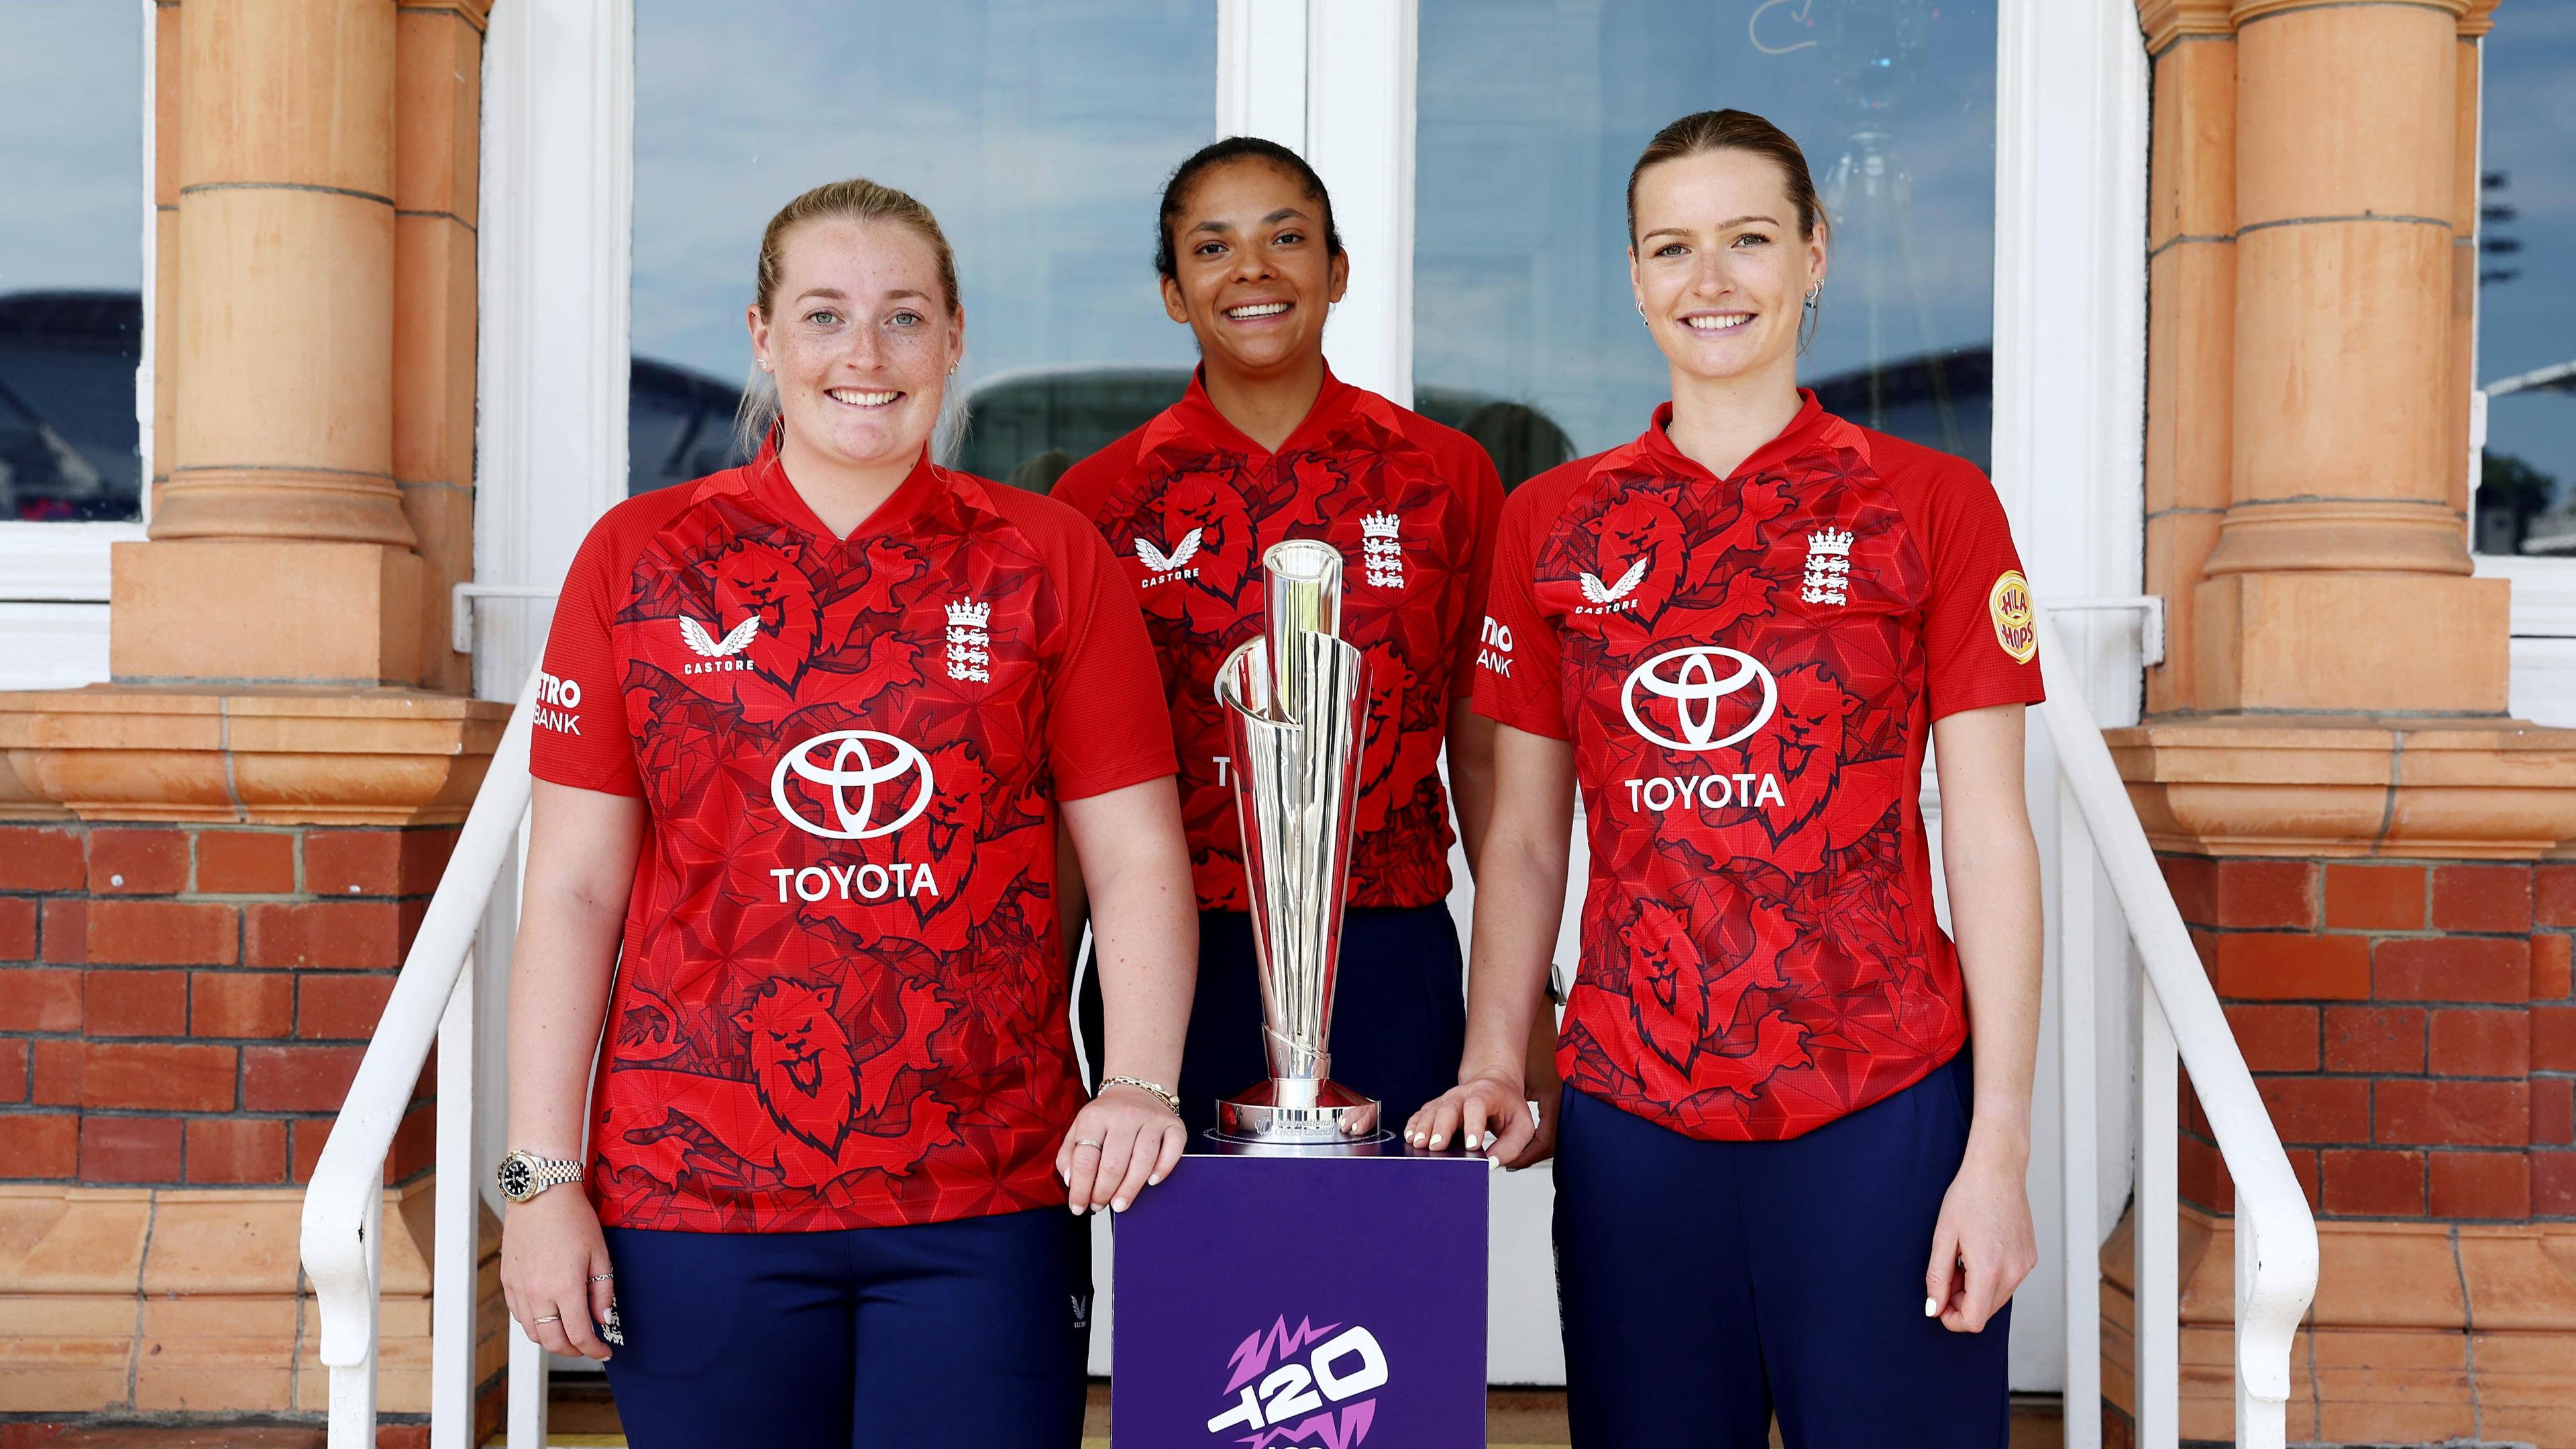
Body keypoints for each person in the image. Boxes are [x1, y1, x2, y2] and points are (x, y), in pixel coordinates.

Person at [496, 177, 1197, 1449]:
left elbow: (1140, 851)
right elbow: (575, 890)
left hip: (986, 1189)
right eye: (823, 317)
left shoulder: (1045, 560)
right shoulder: (640, 558)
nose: (863, 357)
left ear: (955, 336)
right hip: (695, 1186)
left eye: (903, 318)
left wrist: (1141, 1081)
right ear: (763, 339)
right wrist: (541, 1180)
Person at [1408, 110, 2045, 1446]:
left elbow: (1989, 841)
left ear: (1815, 255)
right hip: (1636, 1115)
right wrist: (1493, 1054)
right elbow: (1523, 843)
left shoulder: (1930, 504)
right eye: (1673, 248)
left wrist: (1999, 1153)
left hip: (1882, 1106)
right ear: (1636, 279)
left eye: (1748, 239)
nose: (1712, 280)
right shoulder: (1555, 523)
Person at [1052, 136, 1523, 1138]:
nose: (1253, 270)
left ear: (1337, 270)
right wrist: (1038, 1021)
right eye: (1212, 248)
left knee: (1390, 1290)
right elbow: (1070, 797)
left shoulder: (1446, 478)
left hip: (1391, 954)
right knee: (1202, 1291)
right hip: (1175, 967)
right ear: (1175, 293)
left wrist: (1521, 1022)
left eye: (1287, 238)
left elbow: (1486, 762)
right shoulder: (1099, 503)